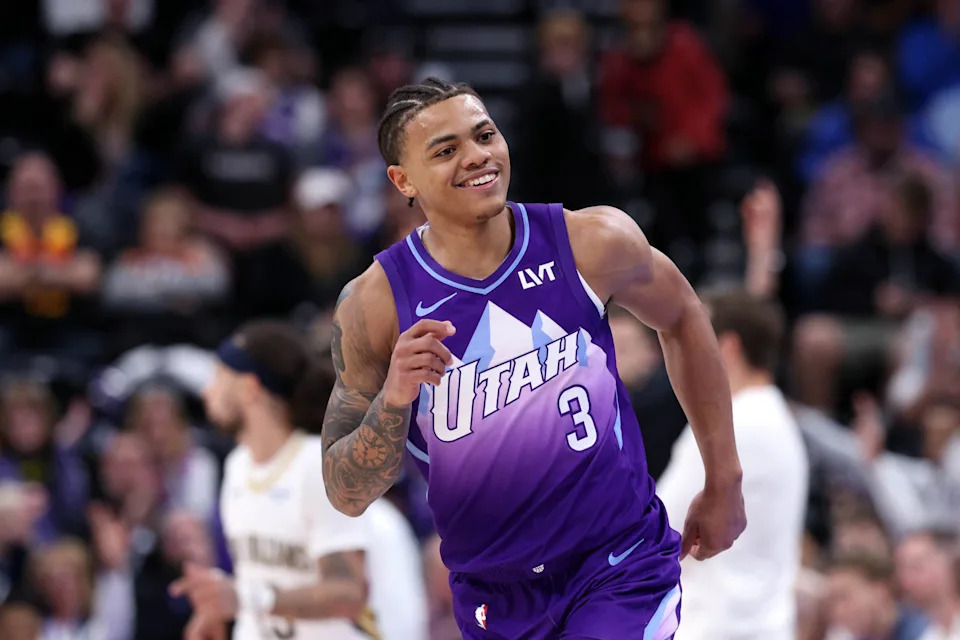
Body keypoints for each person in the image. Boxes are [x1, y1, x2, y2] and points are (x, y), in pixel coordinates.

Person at [321, 76, 747, 638]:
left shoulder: (591, 241)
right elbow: (345, 491)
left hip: (617, 563)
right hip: (493, 594)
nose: (477, 157)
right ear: (403, 181)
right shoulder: (373, 304)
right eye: (446, 150)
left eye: (485, 135)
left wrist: (725, 479)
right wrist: (396, 397)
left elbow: (685, 317)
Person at [170, 320, 378, 640]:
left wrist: (246, 599)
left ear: (250, 388)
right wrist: (218, 606)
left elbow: (349, 593)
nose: (206, 390)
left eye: (218, 377)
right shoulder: (237, 466)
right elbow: (255, 583)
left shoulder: (316, 465)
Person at [657, 290, 809, 639]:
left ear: (727, 347)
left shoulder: (732, 427)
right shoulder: (773, 415)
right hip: (756, 623)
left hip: (717, 625)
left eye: (690, 339)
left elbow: (662, 529)